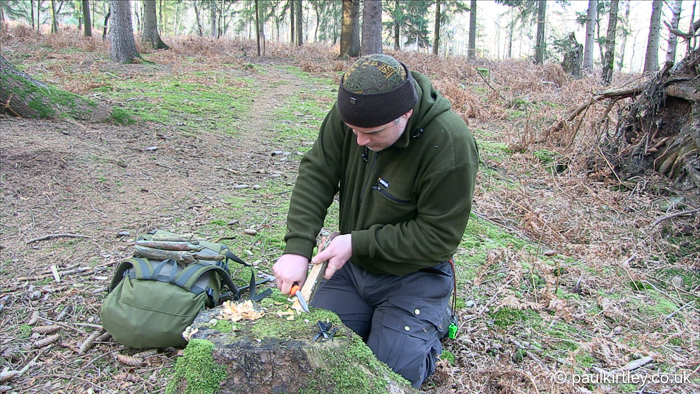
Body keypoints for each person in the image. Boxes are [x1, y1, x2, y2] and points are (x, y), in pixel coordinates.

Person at [273, 54, 479, 387]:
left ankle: (431, 323)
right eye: (352, 130)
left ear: (406, 114)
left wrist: (357, 242)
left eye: (371, 133)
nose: (359, 141)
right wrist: (297, 248)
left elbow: (438, 237)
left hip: (415, 277)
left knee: (387, 377)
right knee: (311, 353)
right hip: (352, 270)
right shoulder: (354, 116)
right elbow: (318, 173)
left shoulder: (450, 144)